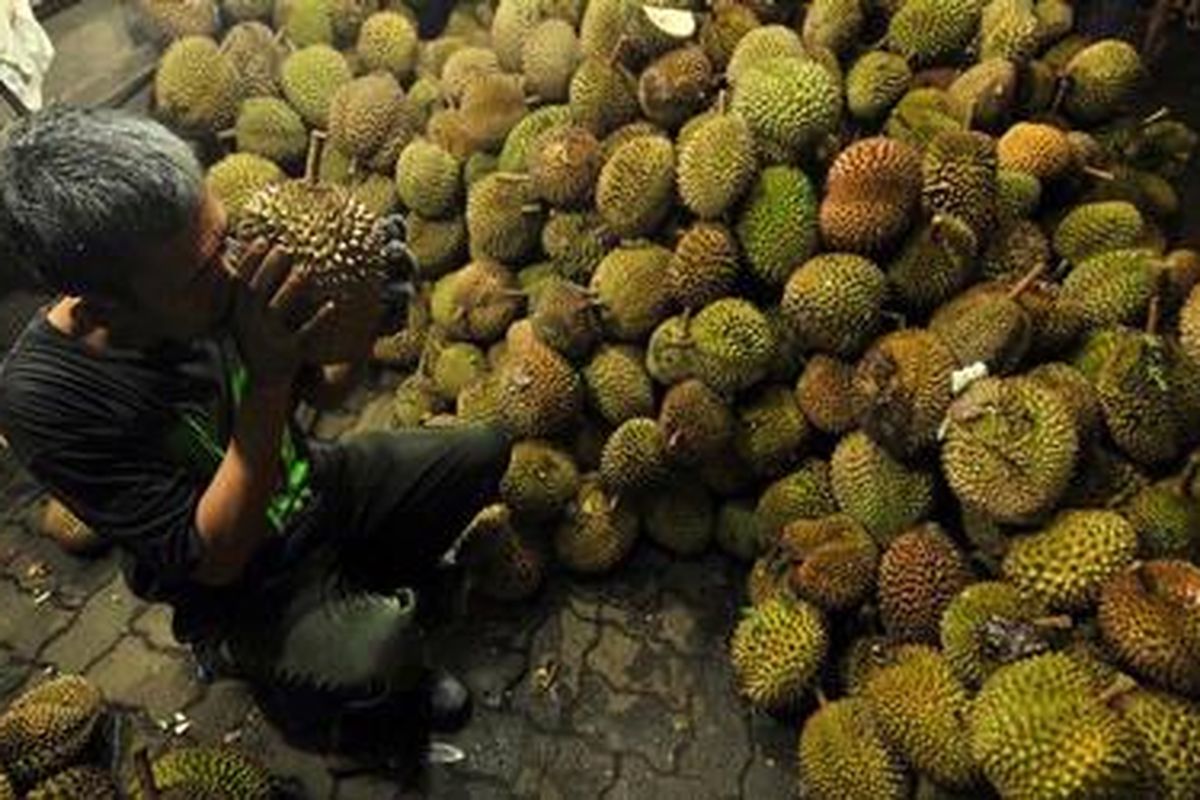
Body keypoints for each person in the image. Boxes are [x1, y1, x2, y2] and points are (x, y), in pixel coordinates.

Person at [0, 105, 511, 761]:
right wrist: (267, 382)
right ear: (105, 304)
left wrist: (361, 320)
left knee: (480, 452)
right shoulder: (47, 400)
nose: (232, 268)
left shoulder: (205, 264)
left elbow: (325, 390)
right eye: (202, 268)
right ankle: (331, 703)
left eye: (220, 234)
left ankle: (365, 596)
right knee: (378, 656)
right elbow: (213, 556)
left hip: (313, 488)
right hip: (242, 585)